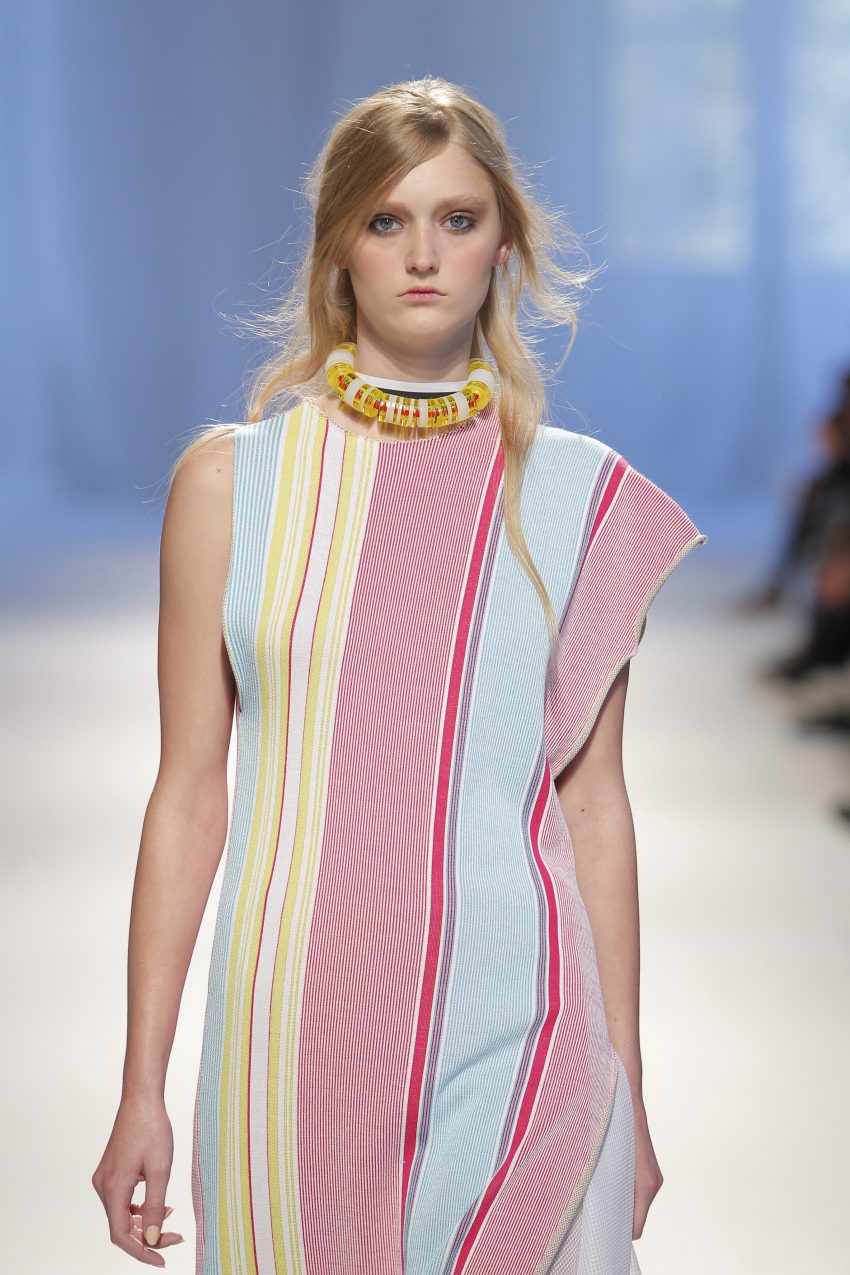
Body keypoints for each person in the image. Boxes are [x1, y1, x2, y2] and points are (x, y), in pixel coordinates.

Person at [91, 76, 707, 1273]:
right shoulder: (232, 487)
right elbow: (189, 795)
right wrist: (141, 1087)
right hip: (287, 1027)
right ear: (340, 247)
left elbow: (592, 806)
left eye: (457, 219)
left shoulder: (579, 499)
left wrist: (625, 1083)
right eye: (386, 220)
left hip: (524, 1018)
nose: (423, 255)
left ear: (505, 246)